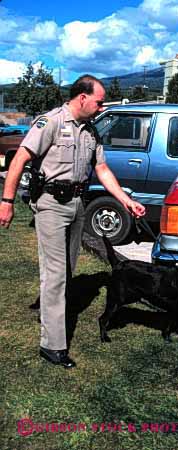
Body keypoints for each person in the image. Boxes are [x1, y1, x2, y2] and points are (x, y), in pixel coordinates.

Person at [0, 74, 145, 369]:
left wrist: (126, 200)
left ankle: (52, 313)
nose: (101, 107)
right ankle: (53, 345)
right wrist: (7, 202)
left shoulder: (91, 131)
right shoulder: (51, 122)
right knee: (55, 274)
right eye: (99, 101)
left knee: (68, 268)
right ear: (82, 97)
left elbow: (102, 169)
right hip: (51, 204)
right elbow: (19, 159)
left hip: (77, 205)